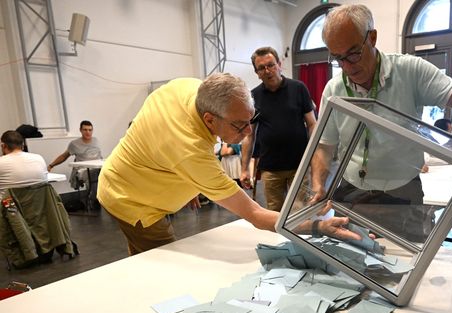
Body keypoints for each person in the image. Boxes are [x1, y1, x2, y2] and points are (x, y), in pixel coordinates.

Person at [97, 73, 359, 255]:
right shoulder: (189, 151)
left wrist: (189, 182)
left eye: (250, 120)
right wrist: (316, 227)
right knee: (164, 259)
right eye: (238, 125)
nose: (247, 133)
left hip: (139, 171)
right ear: (210, 120)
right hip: (129, 197)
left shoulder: (188, 88)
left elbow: (160, 138)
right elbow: (255, 214)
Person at [311, 4, 452, 241]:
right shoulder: (334, 88)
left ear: (372, 37)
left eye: (353, 53)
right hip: (351, 191)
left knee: (408, 264)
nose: (348, 67)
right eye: (338, 58)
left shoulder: (410, 71)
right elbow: (325, 145)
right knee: (348, 261)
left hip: (403, 192)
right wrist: (318, 183)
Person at [240, 46, 317, 211]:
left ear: (279, 64)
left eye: (271, 65)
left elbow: (312, 124)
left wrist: (314, 156)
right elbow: (249, 135)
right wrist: (244, 168)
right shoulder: (253, 97)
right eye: (261, 68)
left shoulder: (298, 88)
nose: (268, 71)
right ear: (257, 72)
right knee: (274, 214)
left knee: (300, 211)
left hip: (300, 165)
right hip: (270, 169)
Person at [47, 120, 102, 192]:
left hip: (98, 168)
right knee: (94, 177)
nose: (88, 132)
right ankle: (94, 199)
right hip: (84, 170)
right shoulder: (74, 144)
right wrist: (51, 165)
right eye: (85, 130)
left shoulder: (96, 140)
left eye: (90, 130)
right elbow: (64, 156)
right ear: (80, 130)